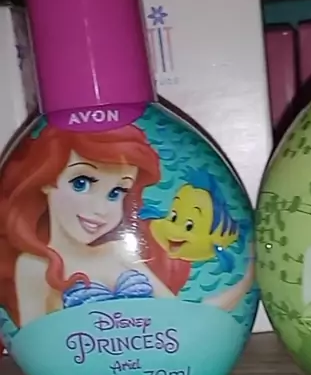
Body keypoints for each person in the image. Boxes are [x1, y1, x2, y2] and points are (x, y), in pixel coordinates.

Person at [0, 124, 253, 327]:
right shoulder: (33, 267)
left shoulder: (116, 252)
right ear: (46, 180)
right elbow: (39, 345)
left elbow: (181, 315)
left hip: (162, 363)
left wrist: (249, 276)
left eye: (116, 193)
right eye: (81, 183)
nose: (100, 209)